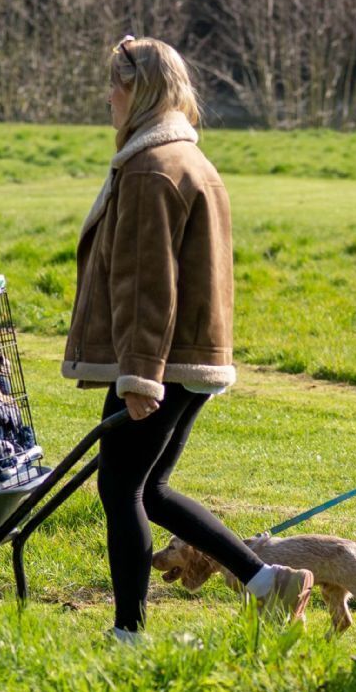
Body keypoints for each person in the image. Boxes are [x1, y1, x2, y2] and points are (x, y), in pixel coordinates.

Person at [64, 37, 302, 641]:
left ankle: (129, 635)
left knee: (119, 489)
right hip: (192, 356)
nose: (107, 99)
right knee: (150, 488)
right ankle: (269, 584)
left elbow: (150, 284)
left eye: (113, 86)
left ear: (136, 89)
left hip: (161, 362)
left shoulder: (151, 169)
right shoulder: (184, 158)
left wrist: (140, 376)